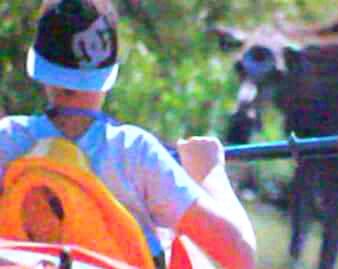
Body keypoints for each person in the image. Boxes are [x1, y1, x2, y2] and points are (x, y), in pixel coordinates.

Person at [0, 0, 256, 268]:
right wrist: (210, 172)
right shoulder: (135, 152)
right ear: (109, 73)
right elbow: (241, 255)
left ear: (38, 67)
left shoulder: (7, 139)